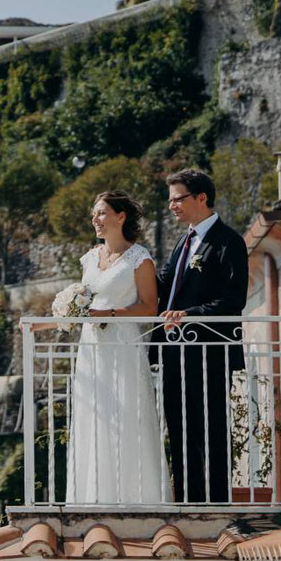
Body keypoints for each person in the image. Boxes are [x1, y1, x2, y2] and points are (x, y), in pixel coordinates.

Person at [65, 190, 170, 504]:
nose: (95, 220)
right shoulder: (89, 258)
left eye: (101, 213)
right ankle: (91, 498)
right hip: (91, 350)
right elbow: (83, 302)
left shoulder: (140, 258)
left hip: (124, 345)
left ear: (120, 217)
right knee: (94, 418)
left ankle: (141, 498)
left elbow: (150, 307)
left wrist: (108, 314)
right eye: (94, 215)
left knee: (127, 416)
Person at [155, 168, 249, 504]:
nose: (172, 207)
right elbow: (163, 288)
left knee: (211, 430)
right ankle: (187, 503)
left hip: (209, 353)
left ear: (201, 198)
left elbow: (234, 299)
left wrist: (189, 316)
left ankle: (218, 504)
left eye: (177, 199)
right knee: (179, 431)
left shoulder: (229, 241)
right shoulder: (184, 241)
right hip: (174, 353)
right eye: (170, 201)